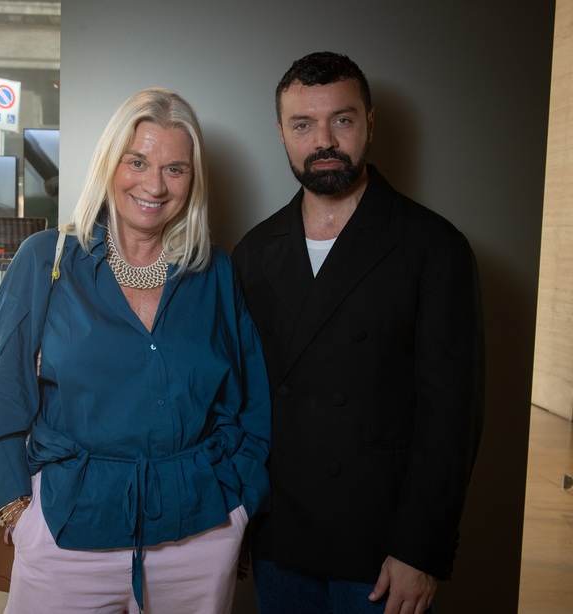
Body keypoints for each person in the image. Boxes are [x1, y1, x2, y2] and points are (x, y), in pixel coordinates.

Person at [0, 88, 271, 614]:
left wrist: (238, 506)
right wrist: (18, 513)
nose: (154, 185)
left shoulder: (214, 272)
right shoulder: (45, 261)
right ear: (109, 163)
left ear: (193, 179)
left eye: (175, 169)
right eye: (137, 161)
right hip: (67, 530)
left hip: (198, 533)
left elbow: (249, 402)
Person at [232, 52, 485, 614]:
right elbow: (241, 403)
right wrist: (240, 516)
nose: (324, 141)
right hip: (279, 538)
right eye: (303, 124)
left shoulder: (434, 247)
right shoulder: (253, 252)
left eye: (341, 120)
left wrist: (420, 549)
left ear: (370, 123)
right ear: (281, 133)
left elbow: (452, 417)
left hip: (382, 549)